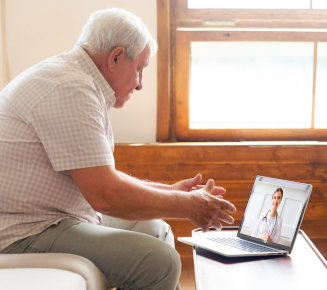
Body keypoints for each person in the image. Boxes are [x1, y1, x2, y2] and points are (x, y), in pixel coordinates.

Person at [0, 8, 237, 289]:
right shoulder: (70, 88)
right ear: (115, 57)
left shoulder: (75, 79)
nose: (139, 84)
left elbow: (103, 176)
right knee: (160, 262)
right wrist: (188, 205)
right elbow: (105, 195)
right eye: (139, 69)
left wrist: (169, 191)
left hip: (50, 216)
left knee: (157, 231)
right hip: (23, 231)